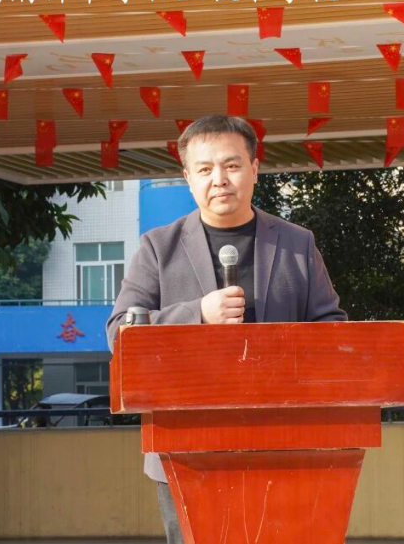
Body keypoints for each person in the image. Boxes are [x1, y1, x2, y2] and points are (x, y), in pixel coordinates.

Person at [105, 114, 347, 544]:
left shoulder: (296, 243)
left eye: (232, 165)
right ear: (188, 178)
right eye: (204, 169)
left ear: (254, 168)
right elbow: (120, 332)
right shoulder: (158, 248)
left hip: (284, 444)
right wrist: (197, 313)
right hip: (185, 450)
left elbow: (332, 329)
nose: (219, 179)